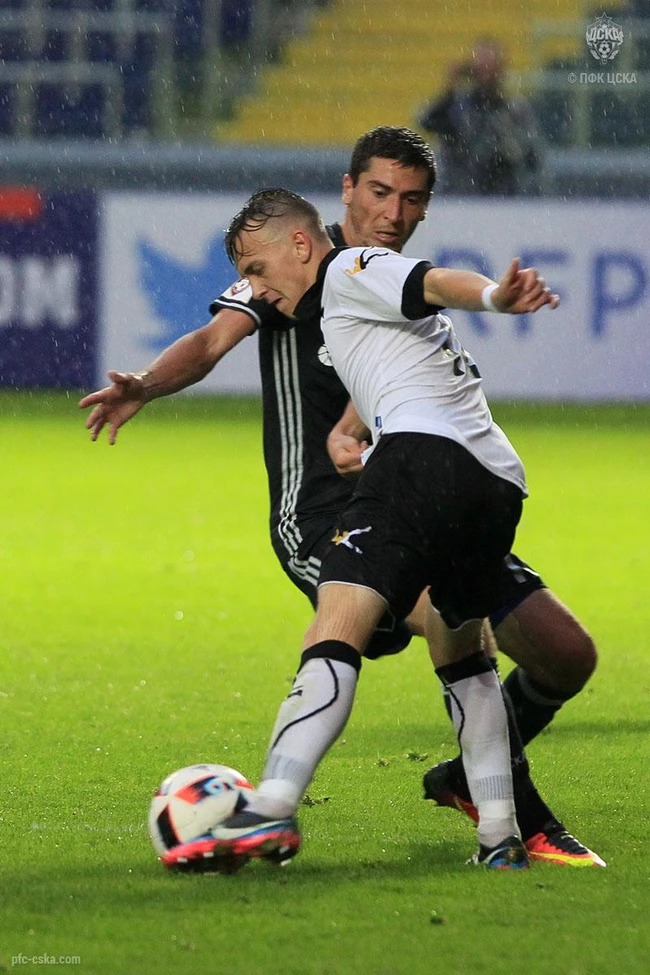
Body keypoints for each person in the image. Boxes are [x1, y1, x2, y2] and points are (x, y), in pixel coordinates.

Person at [79, 127, 601, 867]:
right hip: (323, 513)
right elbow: (212, 339)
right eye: (380, 192)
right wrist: (147, 383)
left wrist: (358, 425)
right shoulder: (288, 266)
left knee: (562, 653)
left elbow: (398, 346)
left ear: (425, 207)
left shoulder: (371, 275)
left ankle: (308, 803)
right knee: (457, 633)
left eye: (411, 198)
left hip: (413, 484)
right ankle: (514, 820)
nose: (393, 211)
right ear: (348, 189)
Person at [417, 37, 543, 195]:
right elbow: (426, 122)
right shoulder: (458, 106)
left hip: (503, 195)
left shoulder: (514, 109)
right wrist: (449, 90)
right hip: (459, 195)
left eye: (491, 68)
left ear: (501, 71)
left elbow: (533, 154)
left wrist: (509, 150)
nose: (486, 75)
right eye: (480, 68)